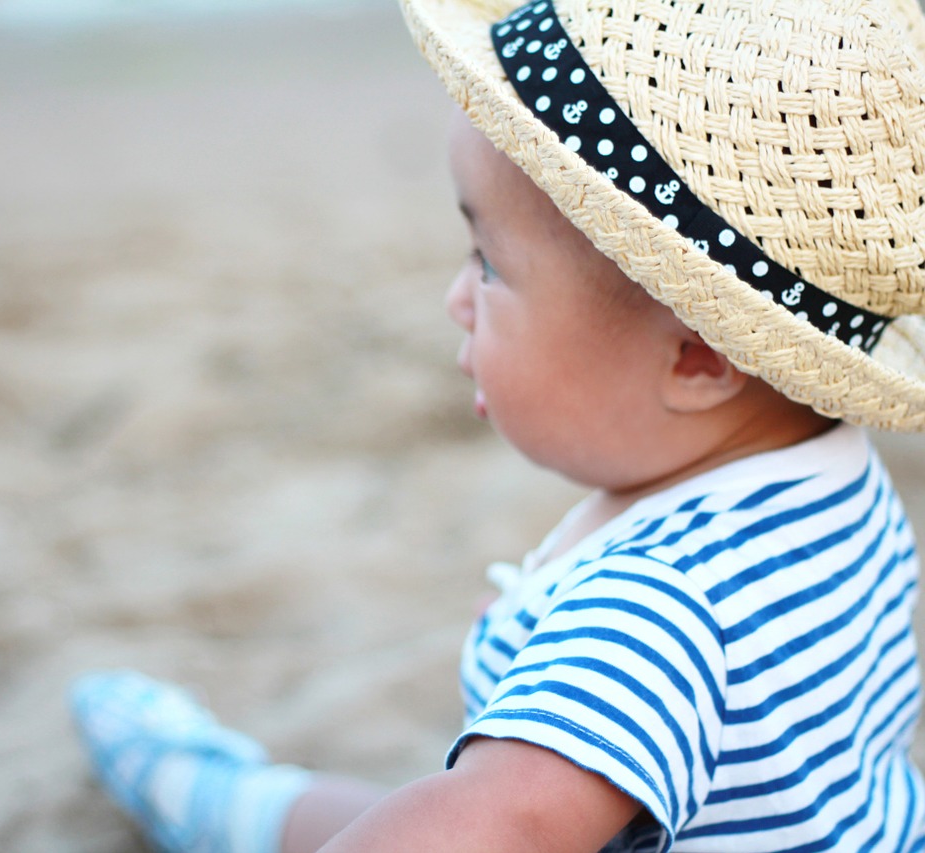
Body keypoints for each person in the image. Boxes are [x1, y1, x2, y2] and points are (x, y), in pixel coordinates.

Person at [70, 0, 925, 848]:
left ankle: (196, 782)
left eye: (490, 265)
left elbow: (507, 822)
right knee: (388, 804)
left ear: (698, 358)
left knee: (415, 814)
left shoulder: (661, 602)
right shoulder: (827, 479)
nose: (455, 299)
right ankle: (229, 789)